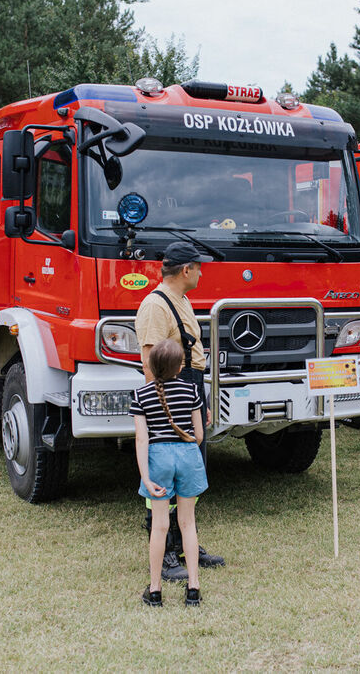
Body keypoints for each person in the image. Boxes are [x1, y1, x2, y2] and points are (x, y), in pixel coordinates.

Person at [135, 241, 225, 581]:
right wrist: (167, 412)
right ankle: (168, 550)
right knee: (164, 476)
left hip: (190, 386)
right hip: (170, 395)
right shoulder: (155, 306)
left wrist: (198, 404)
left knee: (189, 470)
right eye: (199, 267)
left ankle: (187, 545)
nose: (202, 272)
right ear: (186, 270)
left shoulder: (181, 300)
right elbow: (149, 362)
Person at [132, 339, 207, 607]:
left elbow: (142, 440)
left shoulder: (140, 395)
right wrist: (185, 450)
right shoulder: (192, 390)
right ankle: (194, 589)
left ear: (151, 365)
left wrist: (146, 476)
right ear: (180, 367)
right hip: (187, 455)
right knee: (187, 523)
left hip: (158, 458)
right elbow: (199, 434)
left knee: (160, 526)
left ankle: (155, 590)